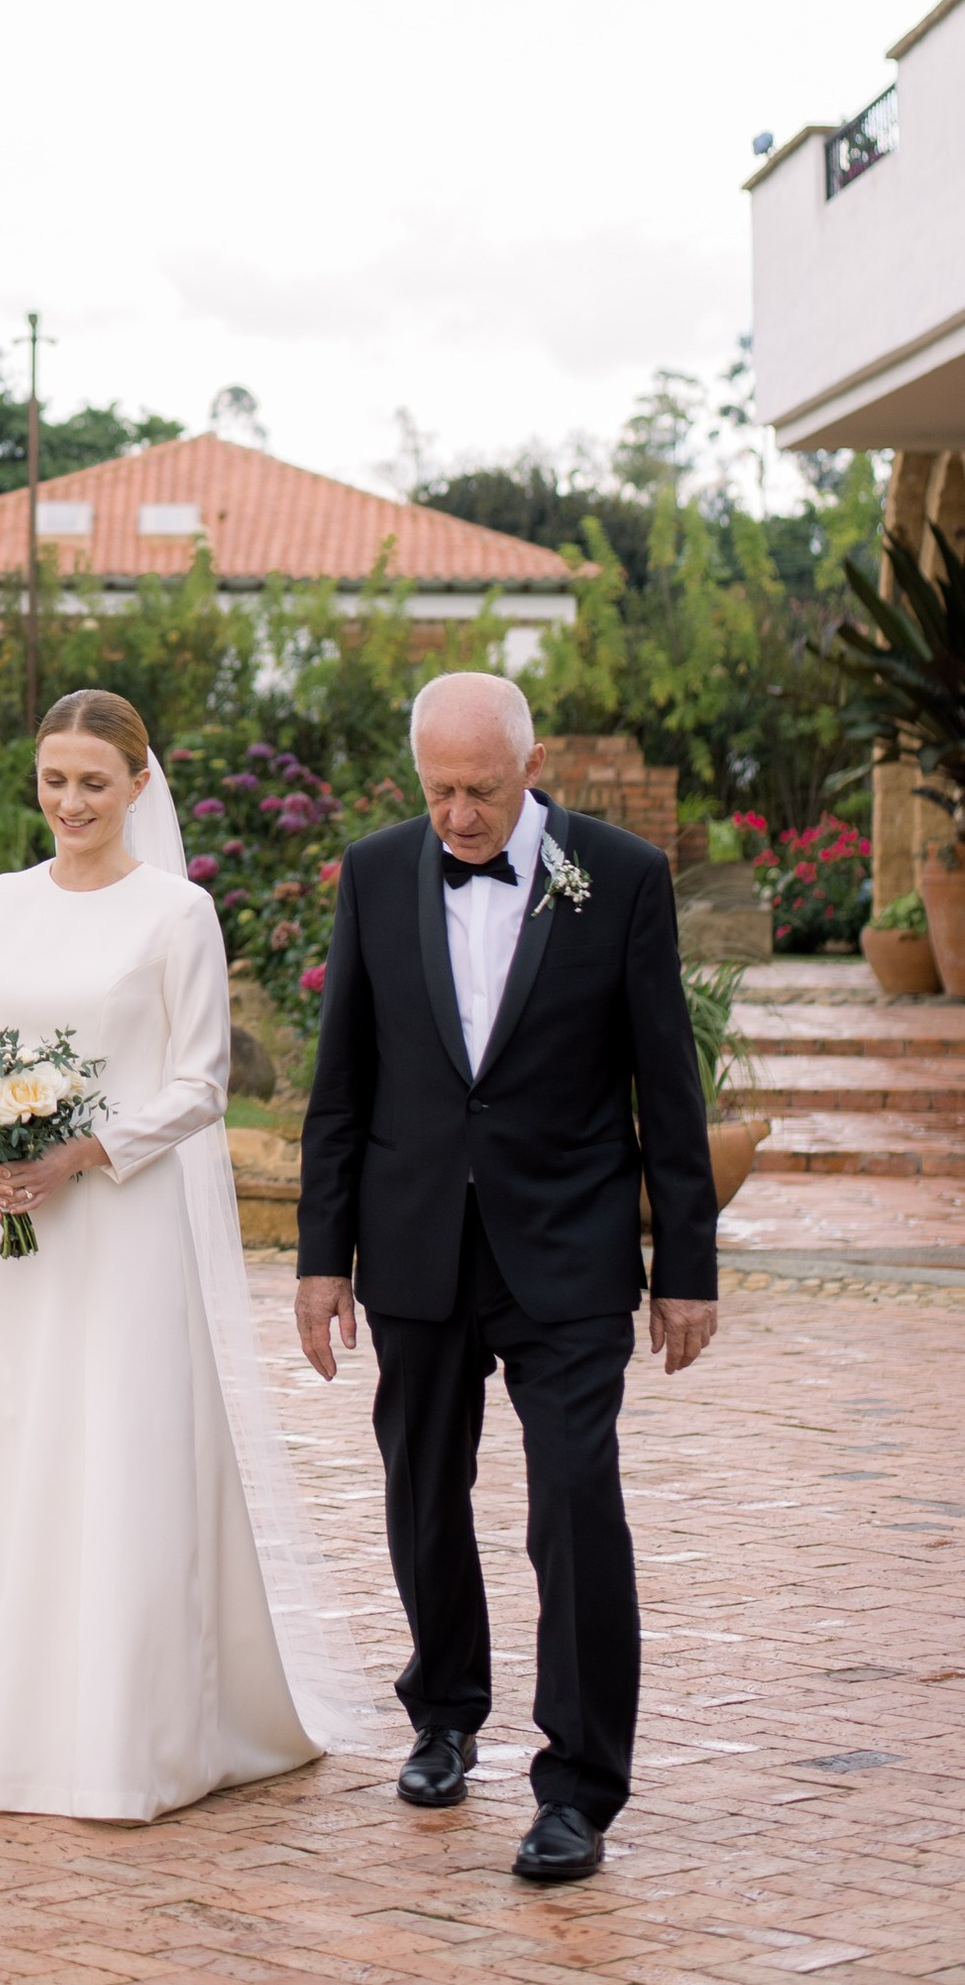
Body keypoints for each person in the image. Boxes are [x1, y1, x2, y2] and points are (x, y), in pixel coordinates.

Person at [296, 670, 719, 1887]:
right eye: (437, 789)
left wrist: (680, 1263)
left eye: (480, 790)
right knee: (422, 1485)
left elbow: (665, 1086)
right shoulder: (376, 870)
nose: (458, 815)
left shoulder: (622, 877)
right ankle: (444, 1710)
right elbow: (341, 1084)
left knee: (575, 1503)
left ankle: (578, 1786)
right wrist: (324, 1258)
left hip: (570, 1247)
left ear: (529, 771)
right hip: (416, 1238)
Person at [0, 690, 375, 1822]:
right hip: (11, 1235)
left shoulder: (175, 914)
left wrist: (83, 1148)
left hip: (122, 1225)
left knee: (122, 1459)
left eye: (94, 780)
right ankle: (24, 1743)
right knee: (21, 1457)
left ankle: (141, 1742)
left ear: (141, 783)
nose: (71, 801)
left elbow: (198, 1083)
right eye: (53, 779)